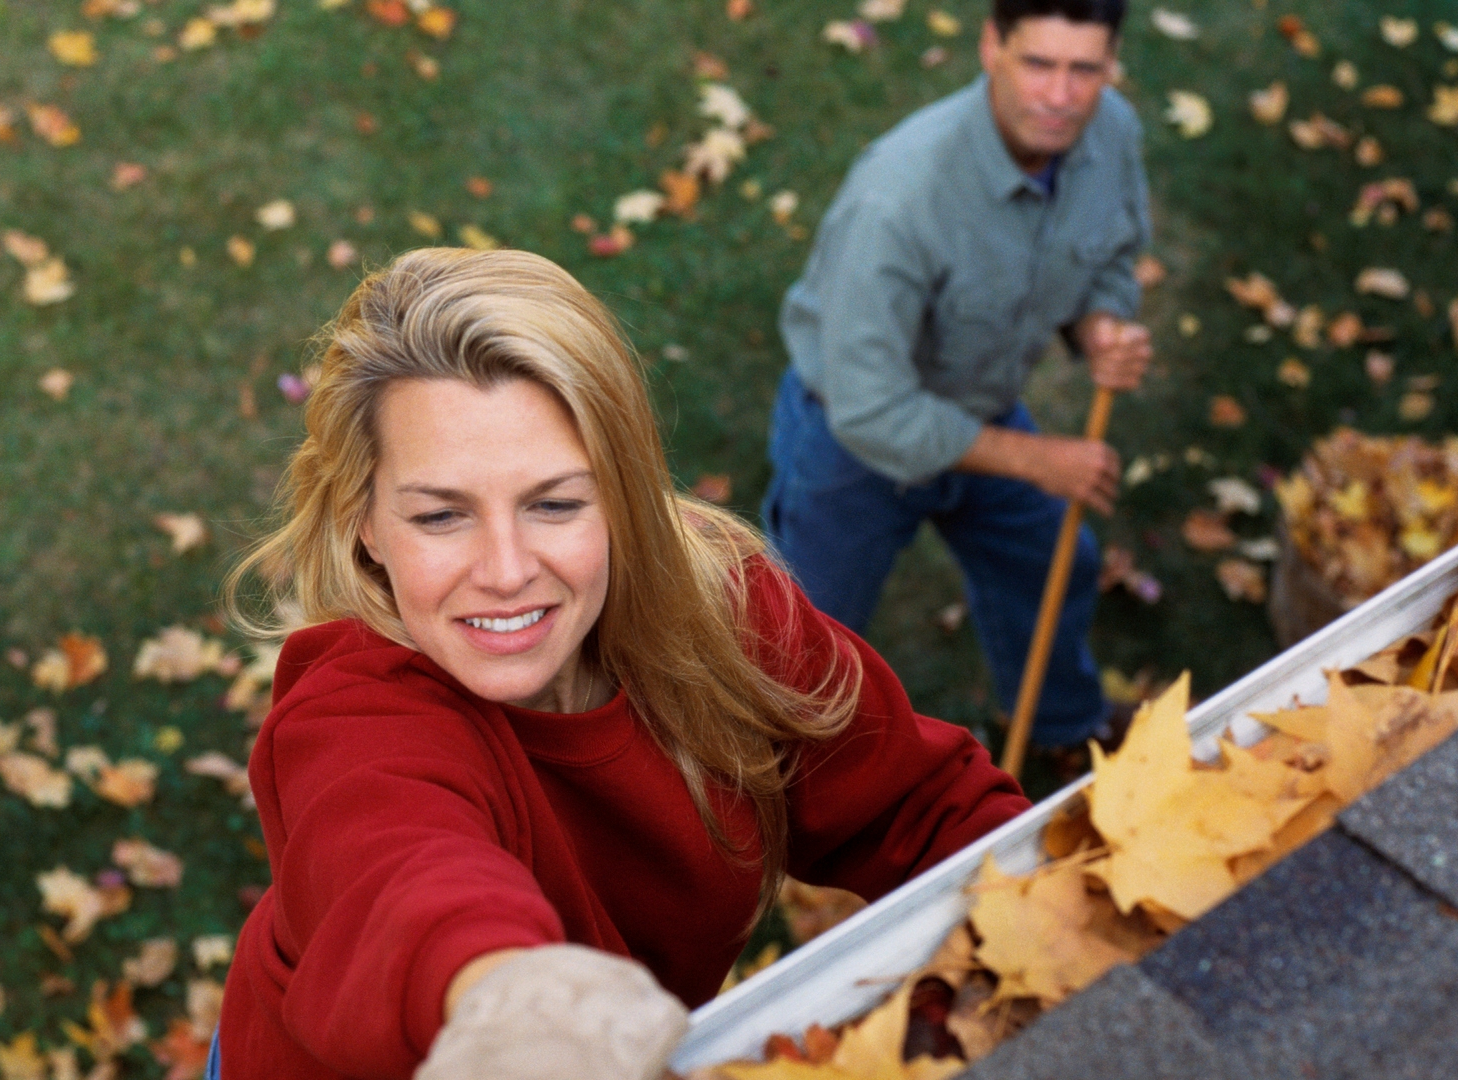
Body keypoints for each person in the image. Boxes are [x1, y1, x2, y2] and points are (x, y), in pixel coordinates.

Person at [215, 248, 1031, 1080]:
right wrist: (521, 1008)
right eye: (440, 516)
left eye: (555, 504)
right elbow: (403, 881)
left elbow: (924, 808)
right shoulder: (352, 718)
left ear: (627, 496)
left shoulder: (722, 607)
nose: (504, 569)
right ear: (364, 523)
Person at [762, 0, 1153, 760]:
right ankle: (776, 786)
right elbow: (871, 408)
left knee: (1054, 564)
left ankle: (1060, 725)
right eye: (1039, 64)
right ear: (991, 48)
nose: (1060, 96)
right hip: (850, 441)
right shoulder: (898, 198)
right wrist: (1038, 460)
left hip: (980, 403)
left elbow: (1110, 256)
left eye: (1085, 70)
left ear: (1110, 66)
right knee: (802, 645)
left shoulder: (1112, 135)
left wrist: (1098, 324)